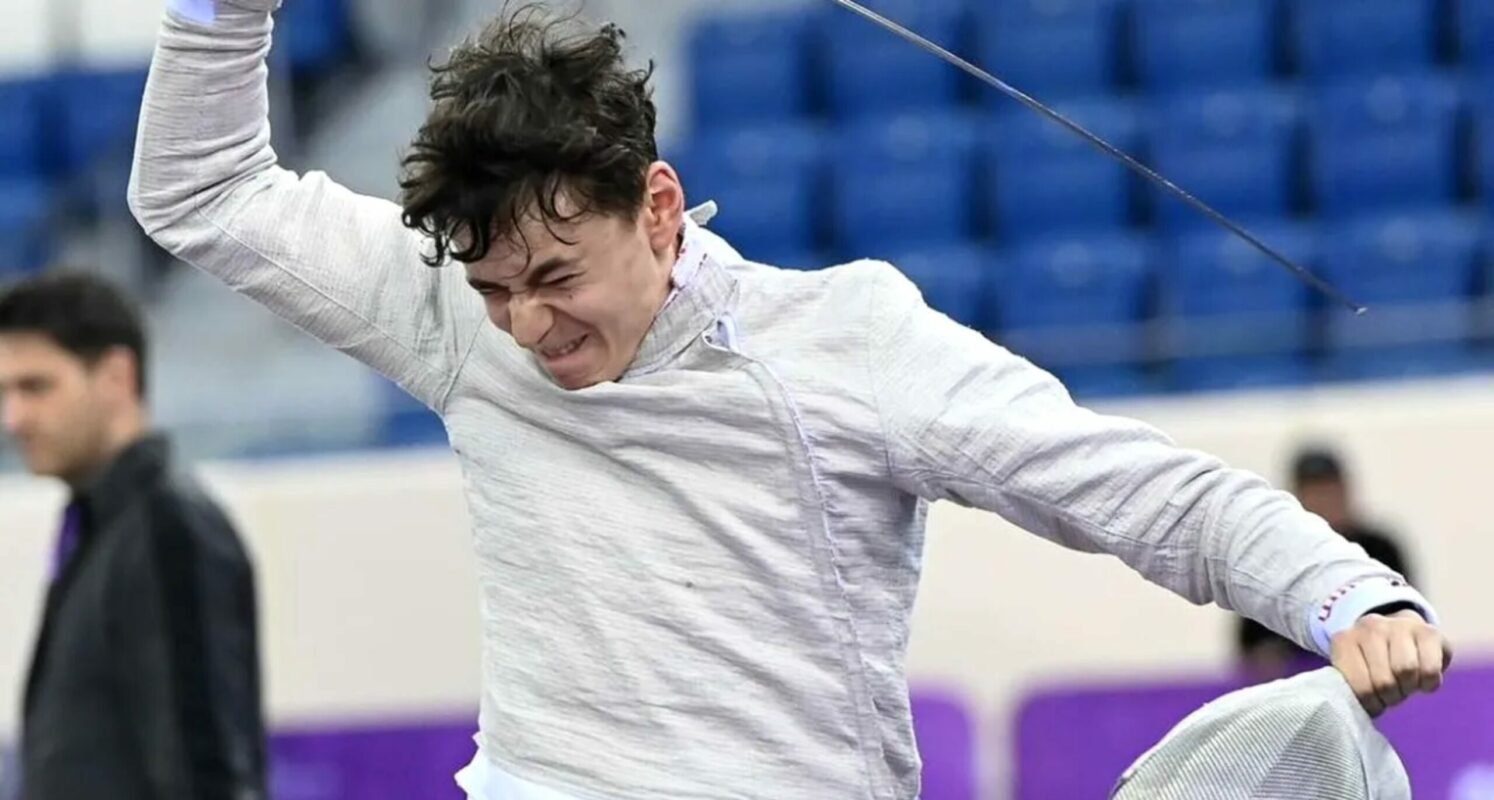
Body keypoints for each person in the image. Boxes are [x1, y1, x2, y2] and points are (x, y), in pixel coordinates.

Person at [128, 3, 1452, 798]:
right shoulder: (448, 316)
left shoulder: (844, 343)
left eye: (555, 277)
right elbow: (202, 191)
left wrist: (1342, 591)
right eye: (493, 289)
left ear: (656, 207)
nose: (526, 326)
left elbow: (1127, 486)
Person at [0, 272, 266, 800]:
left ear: (117, 376)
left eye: (36, 387)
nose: (14, 419)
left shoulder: (168, 529)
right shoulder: (105, 530)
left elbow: (206, 773)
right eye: (5, 393)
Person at [1237, 447, 1418, 679]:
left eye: (1329, 490)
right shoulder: (1275, 556)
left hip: (1376, 672)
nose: (1323, 500)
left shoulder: (1380, 549)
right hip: (1297, 681)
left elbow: (1407, 616)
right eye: (1314, 492)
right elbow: (1252, 645)